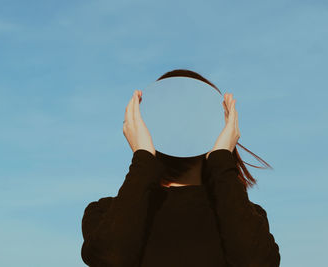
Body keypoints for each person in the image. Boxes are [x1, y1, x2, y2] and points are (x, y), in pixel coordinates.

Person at [81, 70, 281, 266]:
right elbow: (110, 258)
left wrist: (221, 160)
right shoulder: (105, 214)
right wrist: (143, 158)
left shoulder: (244, 216)